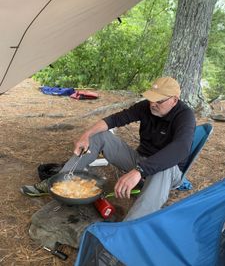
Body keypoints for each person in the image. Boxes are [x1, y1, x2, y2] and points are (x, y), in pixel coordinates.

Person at [21, 77, 196, 220]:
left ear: (174, 100)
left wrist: (139, 171)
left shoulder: (185, 116)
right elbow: (114, 120)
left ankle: (127, 232)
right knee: (99, 136)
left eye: (159, 100)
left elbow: (180, 149)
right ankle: (60, 182)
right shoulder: (147, 107)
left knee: (163, 169)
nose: (152, 104)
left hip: (167, 172)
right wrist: (86, 135)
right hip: (140, 161)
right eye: (151, 98)